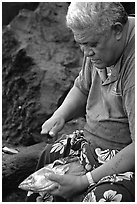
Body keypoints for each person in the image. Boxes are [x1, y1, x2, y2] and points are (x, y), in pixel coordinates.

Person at [26, 2, 135, 202]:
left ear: (117, 30)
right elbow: (82, 87)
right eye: (81, 44)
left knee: (100, 197)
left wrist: (84, 181)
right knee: (48, 159)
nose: (86, 52)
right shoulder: (98, 45)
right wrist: (61, 115)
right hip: (93, 144)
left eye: (91, 44)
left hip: (127, 160)